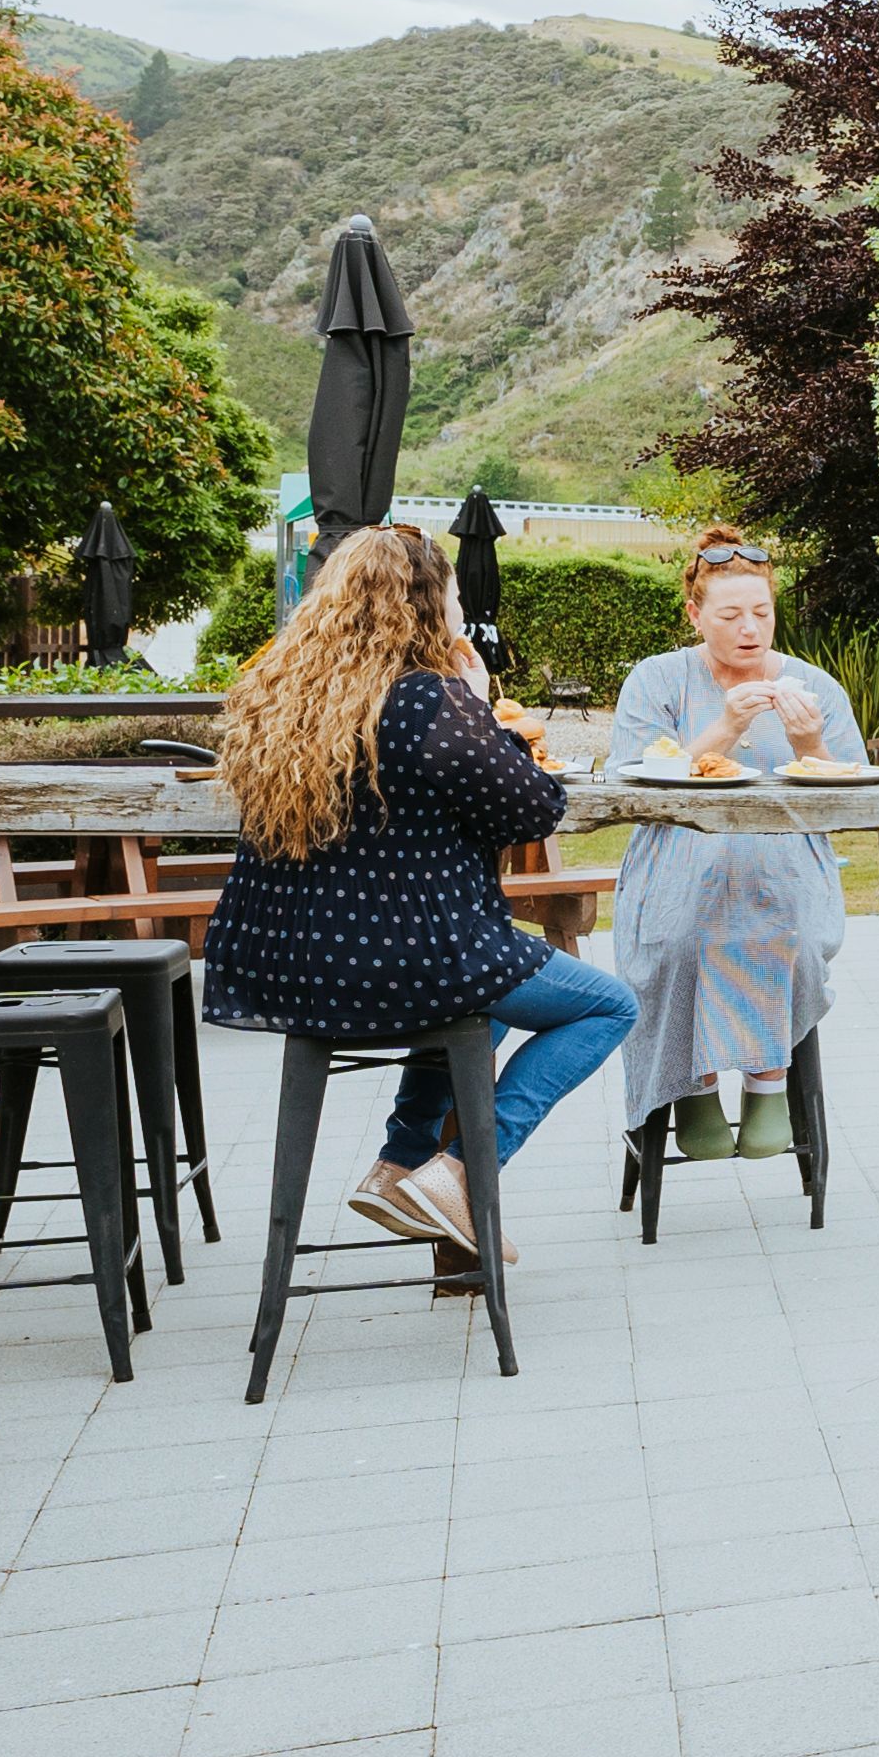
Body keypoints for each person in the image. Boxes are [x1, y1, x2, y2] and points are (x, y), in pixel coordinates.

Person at [210, 526, 636, 1278]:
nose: (462, 620)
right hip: (407, 962)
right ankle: (461, 1174)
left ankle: (400, 1165)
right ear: (426, 609)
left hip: (281, 965)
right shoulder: (432, 702)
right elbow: (535, 809)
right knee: (606, 1005)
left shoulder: (275, 700)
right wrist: (477, 703)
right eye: (456, 602)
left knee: (498, 989)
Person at [605, 532, 863, 1162]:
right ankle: (693, 1089)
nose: (750, 629)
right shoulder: (657, 679)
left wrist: (810, 747)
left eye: (762, 613)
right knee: (678, 941)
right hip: (676, 861)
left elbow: (850, 796)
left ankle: (767, 1085)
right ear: (695, 616)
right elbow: (636, 781)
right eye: (730, 615)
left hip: (785, 861)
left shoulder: (812, 688)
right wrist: (728, 725)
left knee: (792, 936)